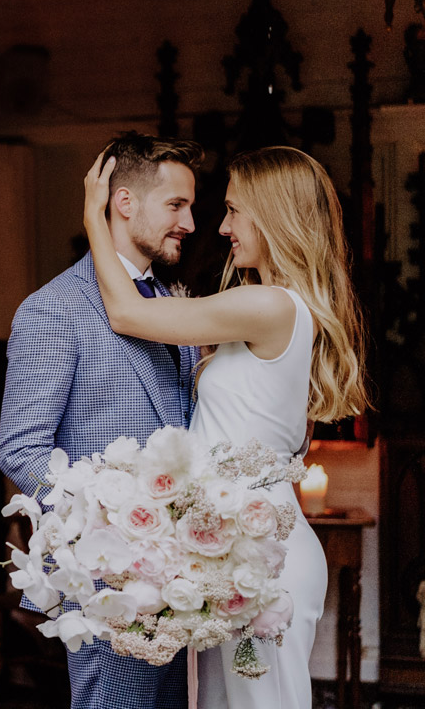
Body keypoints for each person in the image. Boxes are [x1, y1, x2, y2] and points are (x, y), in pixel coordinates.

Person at [82, 145, 368, 708]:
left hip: (262, 560)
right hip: (242, 551)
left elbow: (127, 314)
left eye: (234, 210)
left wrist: (95, 217)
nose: (221, 225)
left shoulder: (269, 305)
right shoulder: (274, 307)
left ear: (272, 214)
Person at [0, 131, 204, 709]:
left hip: (184, 579)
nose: (190, 222)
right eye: (176, 205)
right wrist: (109, 530)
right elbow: (21, 449)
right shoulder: (52, 310)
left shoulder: (171, 304)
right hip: (106, 579)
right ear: (124, 203)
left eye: (191, 206)